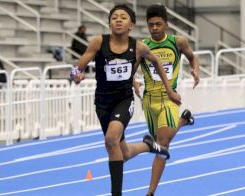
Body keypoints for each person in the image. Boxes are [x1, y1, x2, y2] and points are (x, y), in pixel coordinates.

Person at [70, 4, 181, 196]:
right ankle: (149, 145)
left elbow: (157, 63)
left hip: (124, 100)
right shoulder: (98, 42)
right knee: (124, 152)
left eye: (123, 17)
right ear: (109, 23)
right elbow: (75, 68)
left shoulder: (138, 47)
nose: (118, 20)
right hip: (103, 103)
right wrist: (76, 75)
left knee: (111, 139)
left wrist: (170, 91)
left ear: (131, 25)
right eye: (114, 17)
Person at [135, 4, 200, 196]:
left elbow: (192, 57)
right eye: (151, 25)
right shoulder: (142, 46)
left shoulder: (178, 42)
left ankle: (150, 192)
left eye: (158, 24)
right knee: (158, 141)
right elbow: (131, 68)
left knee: (162, 144)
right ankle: (184, 120)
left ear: (166, 24)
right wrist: (134, 82)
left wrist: (196, 70)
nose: (154, 28)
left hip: (169, 98)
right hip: (149, 101)